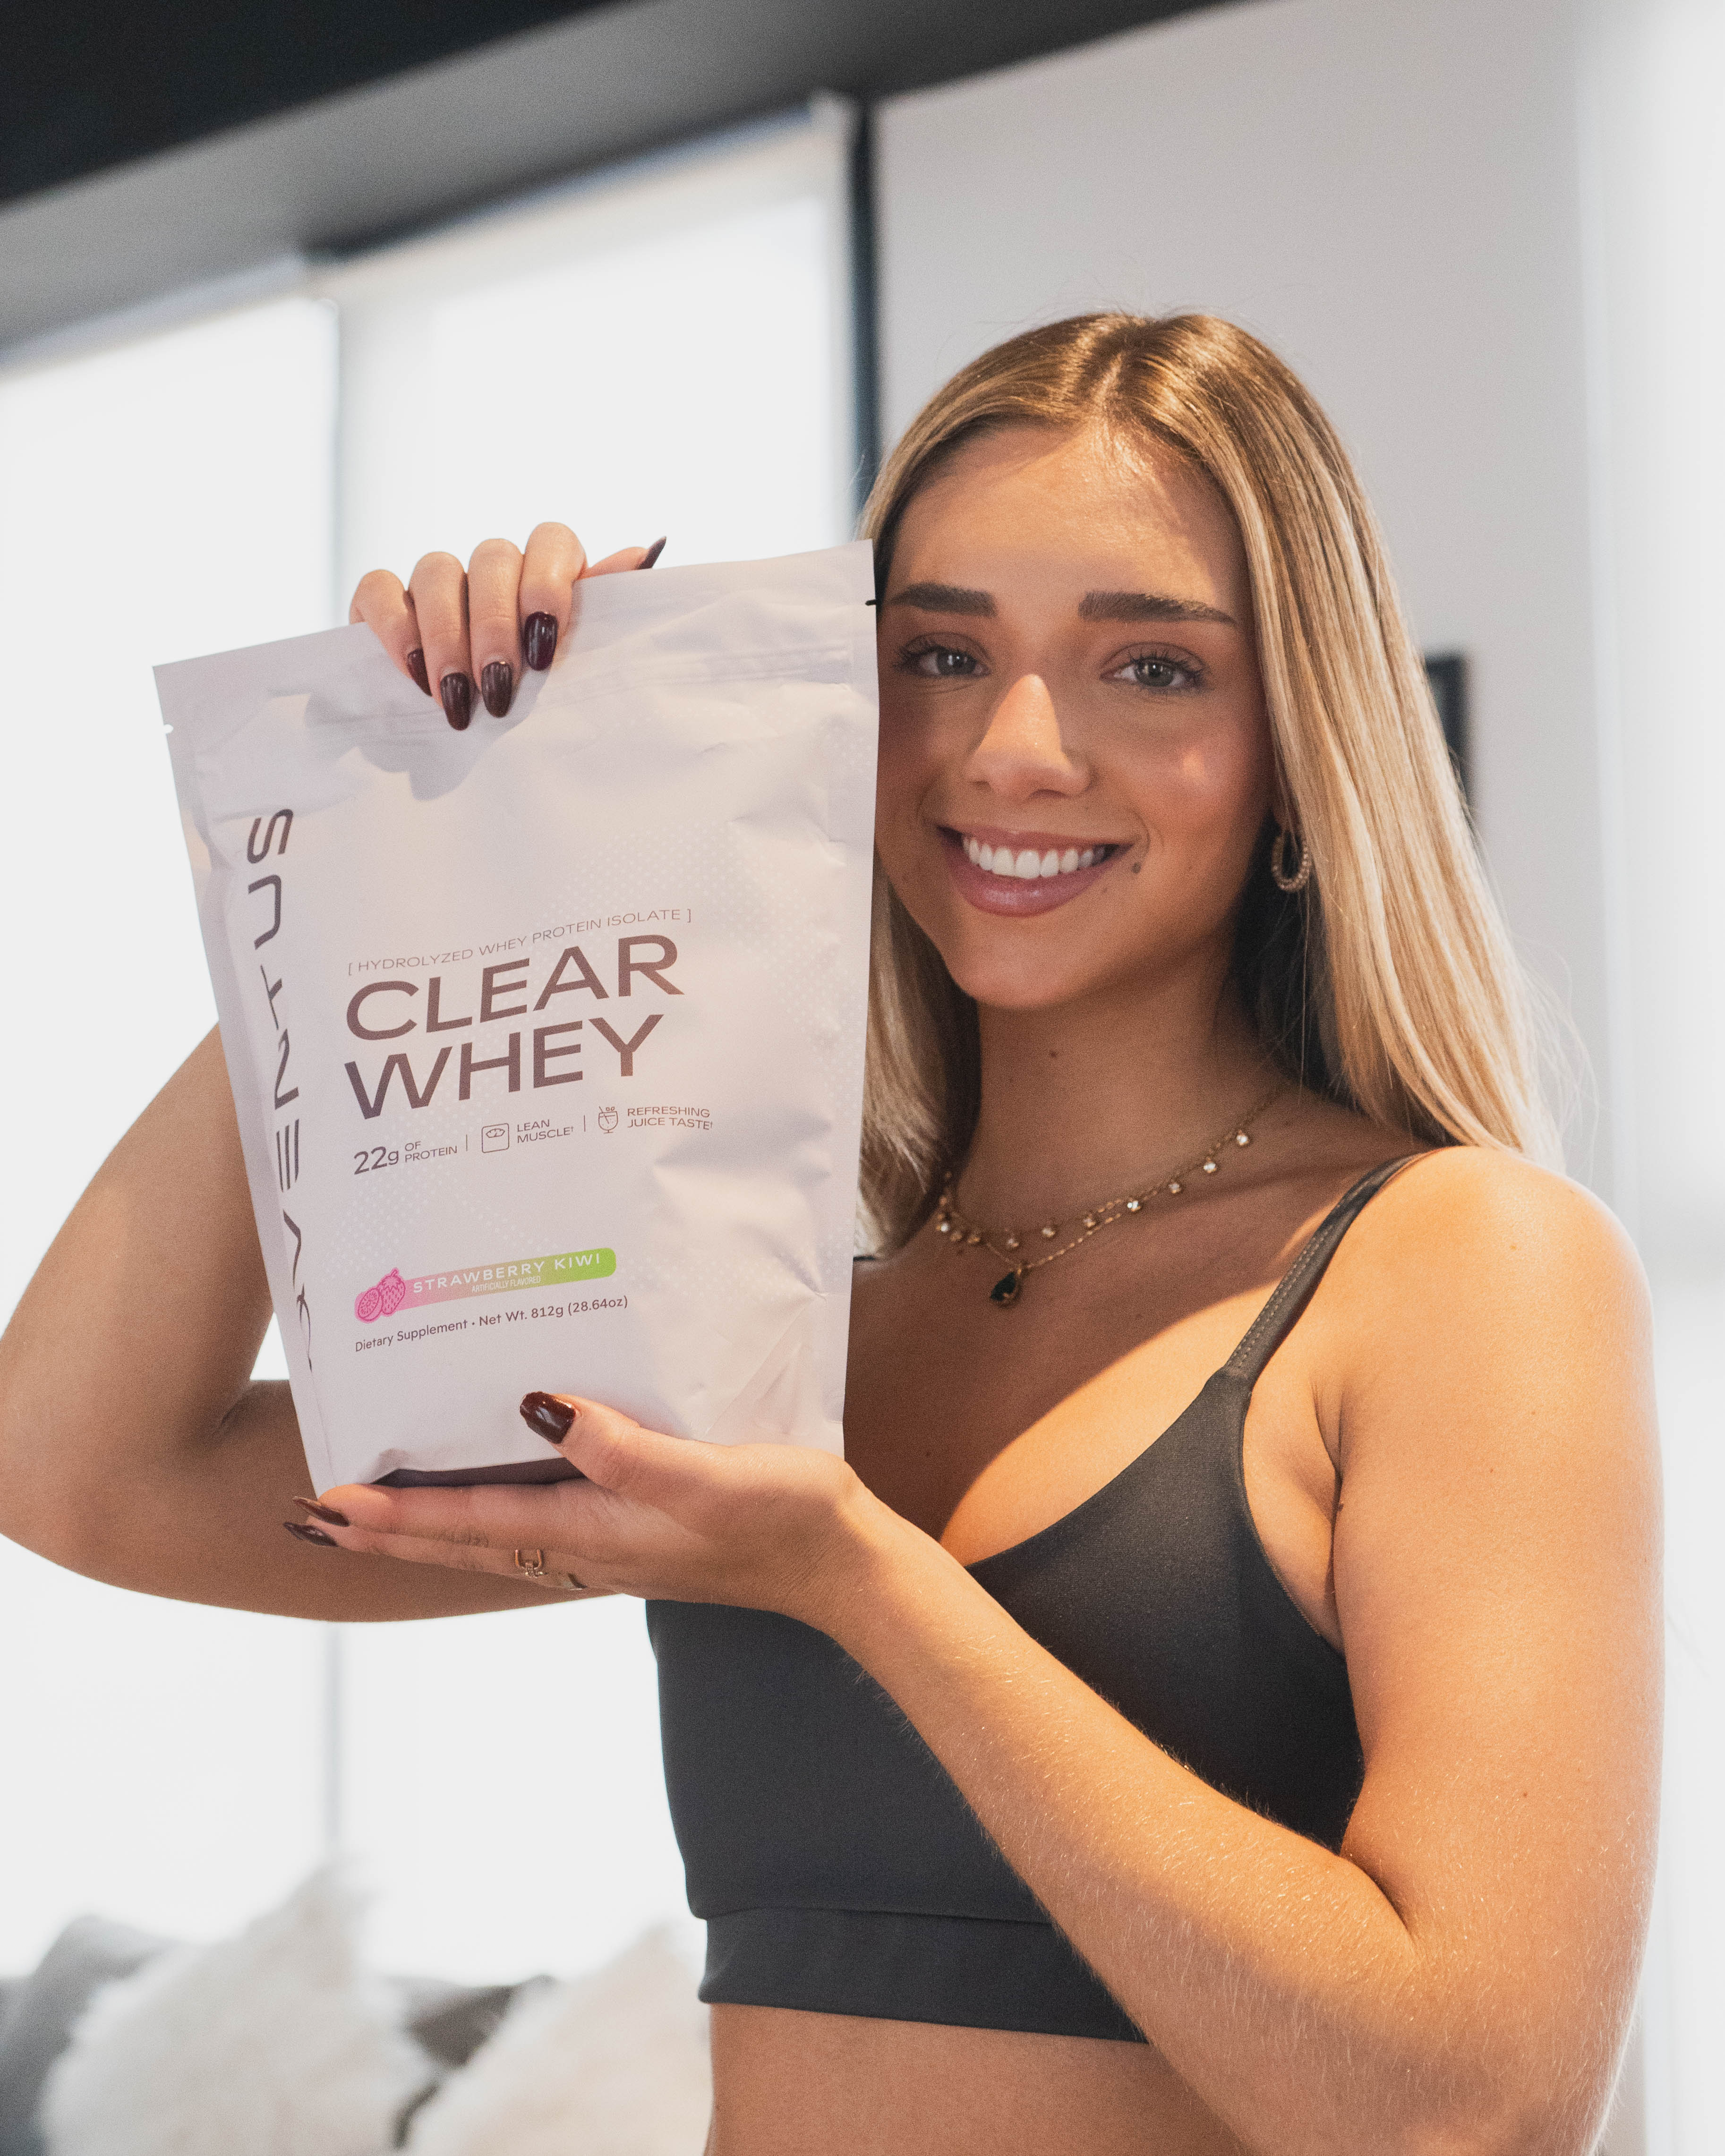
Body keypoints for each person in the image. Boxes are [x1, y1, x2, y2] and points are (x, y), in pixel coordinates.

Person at [0, 314, 1659, 2155]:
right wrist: (382, 842)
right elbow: (85, 1471)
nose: (1016, 748)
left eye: (1150, 667)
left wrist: (858, 1579)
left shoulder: (1459, 1265)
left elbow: (1470, 2116)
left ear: (1295, 751)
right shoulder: (766, 1313)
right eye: (940, 654)